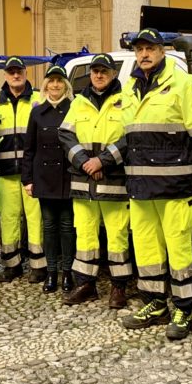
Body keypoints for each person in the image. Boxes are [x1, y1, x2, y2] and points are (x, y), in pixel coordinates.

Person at [119, 28, 192, 340]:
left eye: (150, 48)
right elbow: (129, 136)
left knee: (178, 251)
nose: (144, 54)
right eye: (139, 50)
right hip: (140, 188)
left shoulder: (183, 83)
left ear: (162, 51)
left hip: (174, 187)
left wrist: (187, 163)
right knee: (146, 250)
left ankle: (184, 309)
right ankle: (155, 303)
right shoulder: (130, 87)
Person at [58, 53, 132, 308]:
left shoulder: (125, 100)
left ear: (113, 74)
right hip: (83, 181)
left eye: (104, 71)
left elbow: (130, 137)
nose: (98, 75)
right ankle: (86, 285)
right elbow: (65, 135)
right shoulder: (78, 102)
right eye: (95, 71)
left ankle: (118, 288)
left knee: (117, 237)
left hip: (113, 180)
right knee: (86, 237)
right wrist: (84, 163)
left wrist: (103, 161)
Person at [0, 56, 46, 283]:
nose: (15, 75)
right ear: (5, 75)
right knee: (8, 220)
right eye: (11, 72)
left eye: (19, 71)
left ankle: (38, 265)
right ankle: (12, 266)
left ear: (25, 73)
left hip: (32, 173)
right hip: (5, 174)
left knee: (35, 218)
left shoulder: (38, 100)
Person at [21, 64, 74, 294]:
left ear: (66, 85)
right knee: (49, 227)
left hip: (68, 177)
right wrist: (27, 179)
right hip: (44, 178)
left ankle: (68, 274)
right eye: (51, 81)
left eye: (59, 81)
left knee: (67, 227)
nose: (55, 85)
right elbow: (29, 149)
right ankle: (51, 273)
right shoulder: (37, 112)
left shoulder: (74, 109)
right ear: (45, 86)